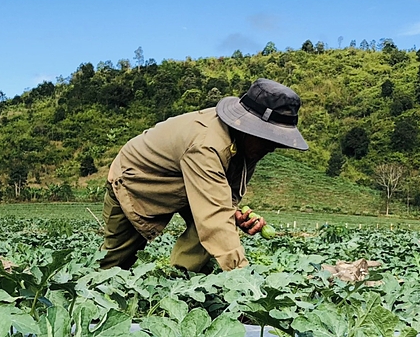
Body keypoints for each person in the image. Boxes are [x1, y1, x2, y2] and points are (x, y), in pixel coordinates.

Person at [100, 78, 307, 272]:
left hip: (185, 183)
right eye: (268, 138)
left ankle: (180, 283)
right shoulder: (207, 144)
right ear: (250, 127)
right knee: (114, 265)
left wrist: (234, 213)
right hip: (136, 181)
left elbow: (224, 201)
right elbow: (215, 216)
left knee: (212, 228)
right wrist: (243, 280)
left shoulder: (248, 147)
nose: (272, 147)